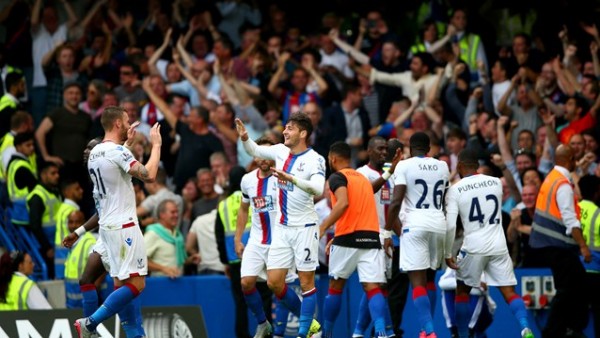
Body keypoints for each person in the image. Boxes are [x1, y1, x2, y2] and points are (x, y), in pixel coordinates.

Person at [73, 106, 162, 338]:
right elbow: (149, 175)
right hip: (125, 227)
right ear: (118, 124)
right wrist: (157, 145)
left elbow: (114, 168)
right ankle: (90, 324)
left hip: (108, 229)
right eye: (127, 120)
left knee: (122, 285)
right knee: (137, 285)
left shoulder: (95, 153)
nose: (130, 123)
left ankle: (134, 335)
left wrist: (128, 145)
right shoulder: (117, 152)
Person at [236, 112, 325, 338]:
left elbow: (318, 189)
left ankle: (305, 332)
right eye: (285, 127)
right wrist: (245, 138)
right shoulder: (279, 151)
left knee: (306, 282)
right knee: (275, 282)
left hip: (304, 227)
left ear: (303, 133)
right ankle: (310, 324)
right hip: (283, 230)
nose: (285, 131)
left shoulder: (315, 159)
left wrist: (291, 178)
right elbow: (255, 151)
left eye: (290, 128)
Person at [445, 149, 534, 338]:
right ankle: (525, 327)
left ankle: (461, 334)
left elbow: (451, 226)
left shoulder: (455, 189)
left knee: (461, 291)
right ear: (477, 166)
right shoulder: (495, 183)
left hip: (474, 245)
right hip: (498, 245)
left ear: (460, 166)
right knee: (509, 292)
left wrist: (447, 252)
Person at [319, 141, 389, 338]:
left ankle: (328, 333)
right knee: (373, 288)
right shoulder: (363, 178)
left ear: (332, 159)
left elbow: (343, 204)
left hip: (347, 239)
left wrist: (323, 227)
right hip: (371, 238)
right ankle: (382, 332)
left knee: (335, 286)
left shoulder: (336, 177)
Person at [384, 132, 449, 338]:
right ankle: (424, 329)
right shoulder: (443, 166)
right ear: (429, 148)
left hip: (415, 225)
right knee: (430, 278)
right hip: (439, 225)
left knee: (417, 281)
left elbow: (395, 203)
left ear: (410, 149)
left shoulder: (405, 165)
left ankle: (429, 331)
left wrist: (387, 231)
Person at [528, 145, 592, 338]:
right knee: (569, 287)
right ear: (570, 159)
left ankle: (569, 328)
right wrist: (582, 245)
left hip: (546, 242)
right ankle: (558, 330)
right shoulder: (562, 184)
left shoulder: (552, 177)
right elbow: (569, 218)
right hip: (556, 243)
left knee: (573, 284)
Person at [234, 138, 292, 338]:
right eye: (259, 154)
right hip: (257, 241)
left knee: (279, 287)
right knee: (246, 283)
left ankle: (308, 323)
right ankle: (262, 323)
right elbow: (243, 210)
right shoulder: (247, 180)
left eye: (267, 154)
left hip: (281, 242)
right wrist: (237, 238)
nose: (263, 159)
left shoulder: (283, 178)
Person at [353, 136, 402, 337]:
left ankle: (363, 333)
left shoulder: (389, 176)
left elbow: (392, 210)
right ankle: (383, 332)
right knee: (375, 284)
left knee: (378, 285)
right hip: (367, 235)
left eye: (385, 149)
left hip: (386, 236)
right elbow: (366, 192)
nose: (384, 152)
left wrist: (400, 235)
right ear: (369, 151)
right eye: (380, 149)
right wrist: (390, 172)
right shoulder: (360, 174)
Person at [438, 268, 495, 338]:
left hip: (484, 314)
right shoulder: (454, 263)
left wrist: (459, 283)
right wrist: (468, 283)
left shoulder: (479, 262)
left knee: (477, 295)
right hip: (460, 313)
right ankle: (454, 332)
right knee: (446, 292)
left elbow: (481, 289)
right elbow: (442, 283)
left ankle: (469, 332)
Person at [145, 200, 195, 278]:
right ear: (162, 215)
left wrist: (190, 260)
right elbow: (141, 261)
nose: (176, 215)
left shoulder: (177, 235)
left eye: (177, 212)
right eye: (173, 212)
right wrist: (163, 269)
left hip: (179, 283)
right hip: (160, 284)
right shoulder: (153, 234)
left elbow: (177, 261)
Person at [578, 175, 600, 336]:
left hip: (574, 271)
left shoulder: (572, 210)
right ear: (597, 192)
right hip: (595, 272)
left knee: (576, 320)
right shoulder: (598, 214)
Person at [54, 179, 83, 279]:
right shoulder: (71, 211)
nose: (81, 191)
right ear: (67, 192)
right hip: (68, 254)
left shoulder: (62, 208)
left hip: (61, 254)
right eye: (77, 189)